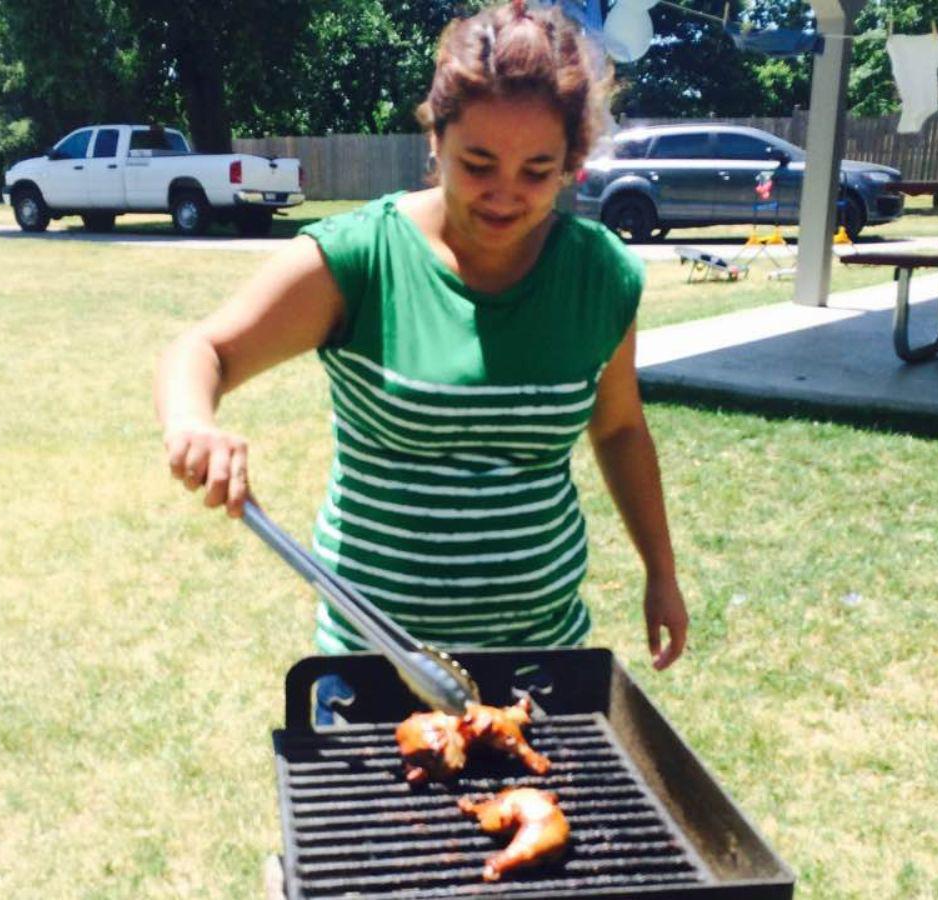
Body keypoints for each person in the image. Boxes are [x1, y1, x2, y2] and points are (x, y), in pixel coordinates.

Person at [154, 0, 689, 681]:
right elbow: (204, 351)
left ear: (570, 163)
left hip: (542, 657)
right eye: (479, 162)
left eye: (536, 170)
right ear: (434, 140)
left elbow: (618, 429)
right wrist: (192, 421)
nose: (504, 194)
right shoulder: (362, 257)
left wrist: (661, 573)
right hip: (379, 663)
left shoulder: (599, 274)